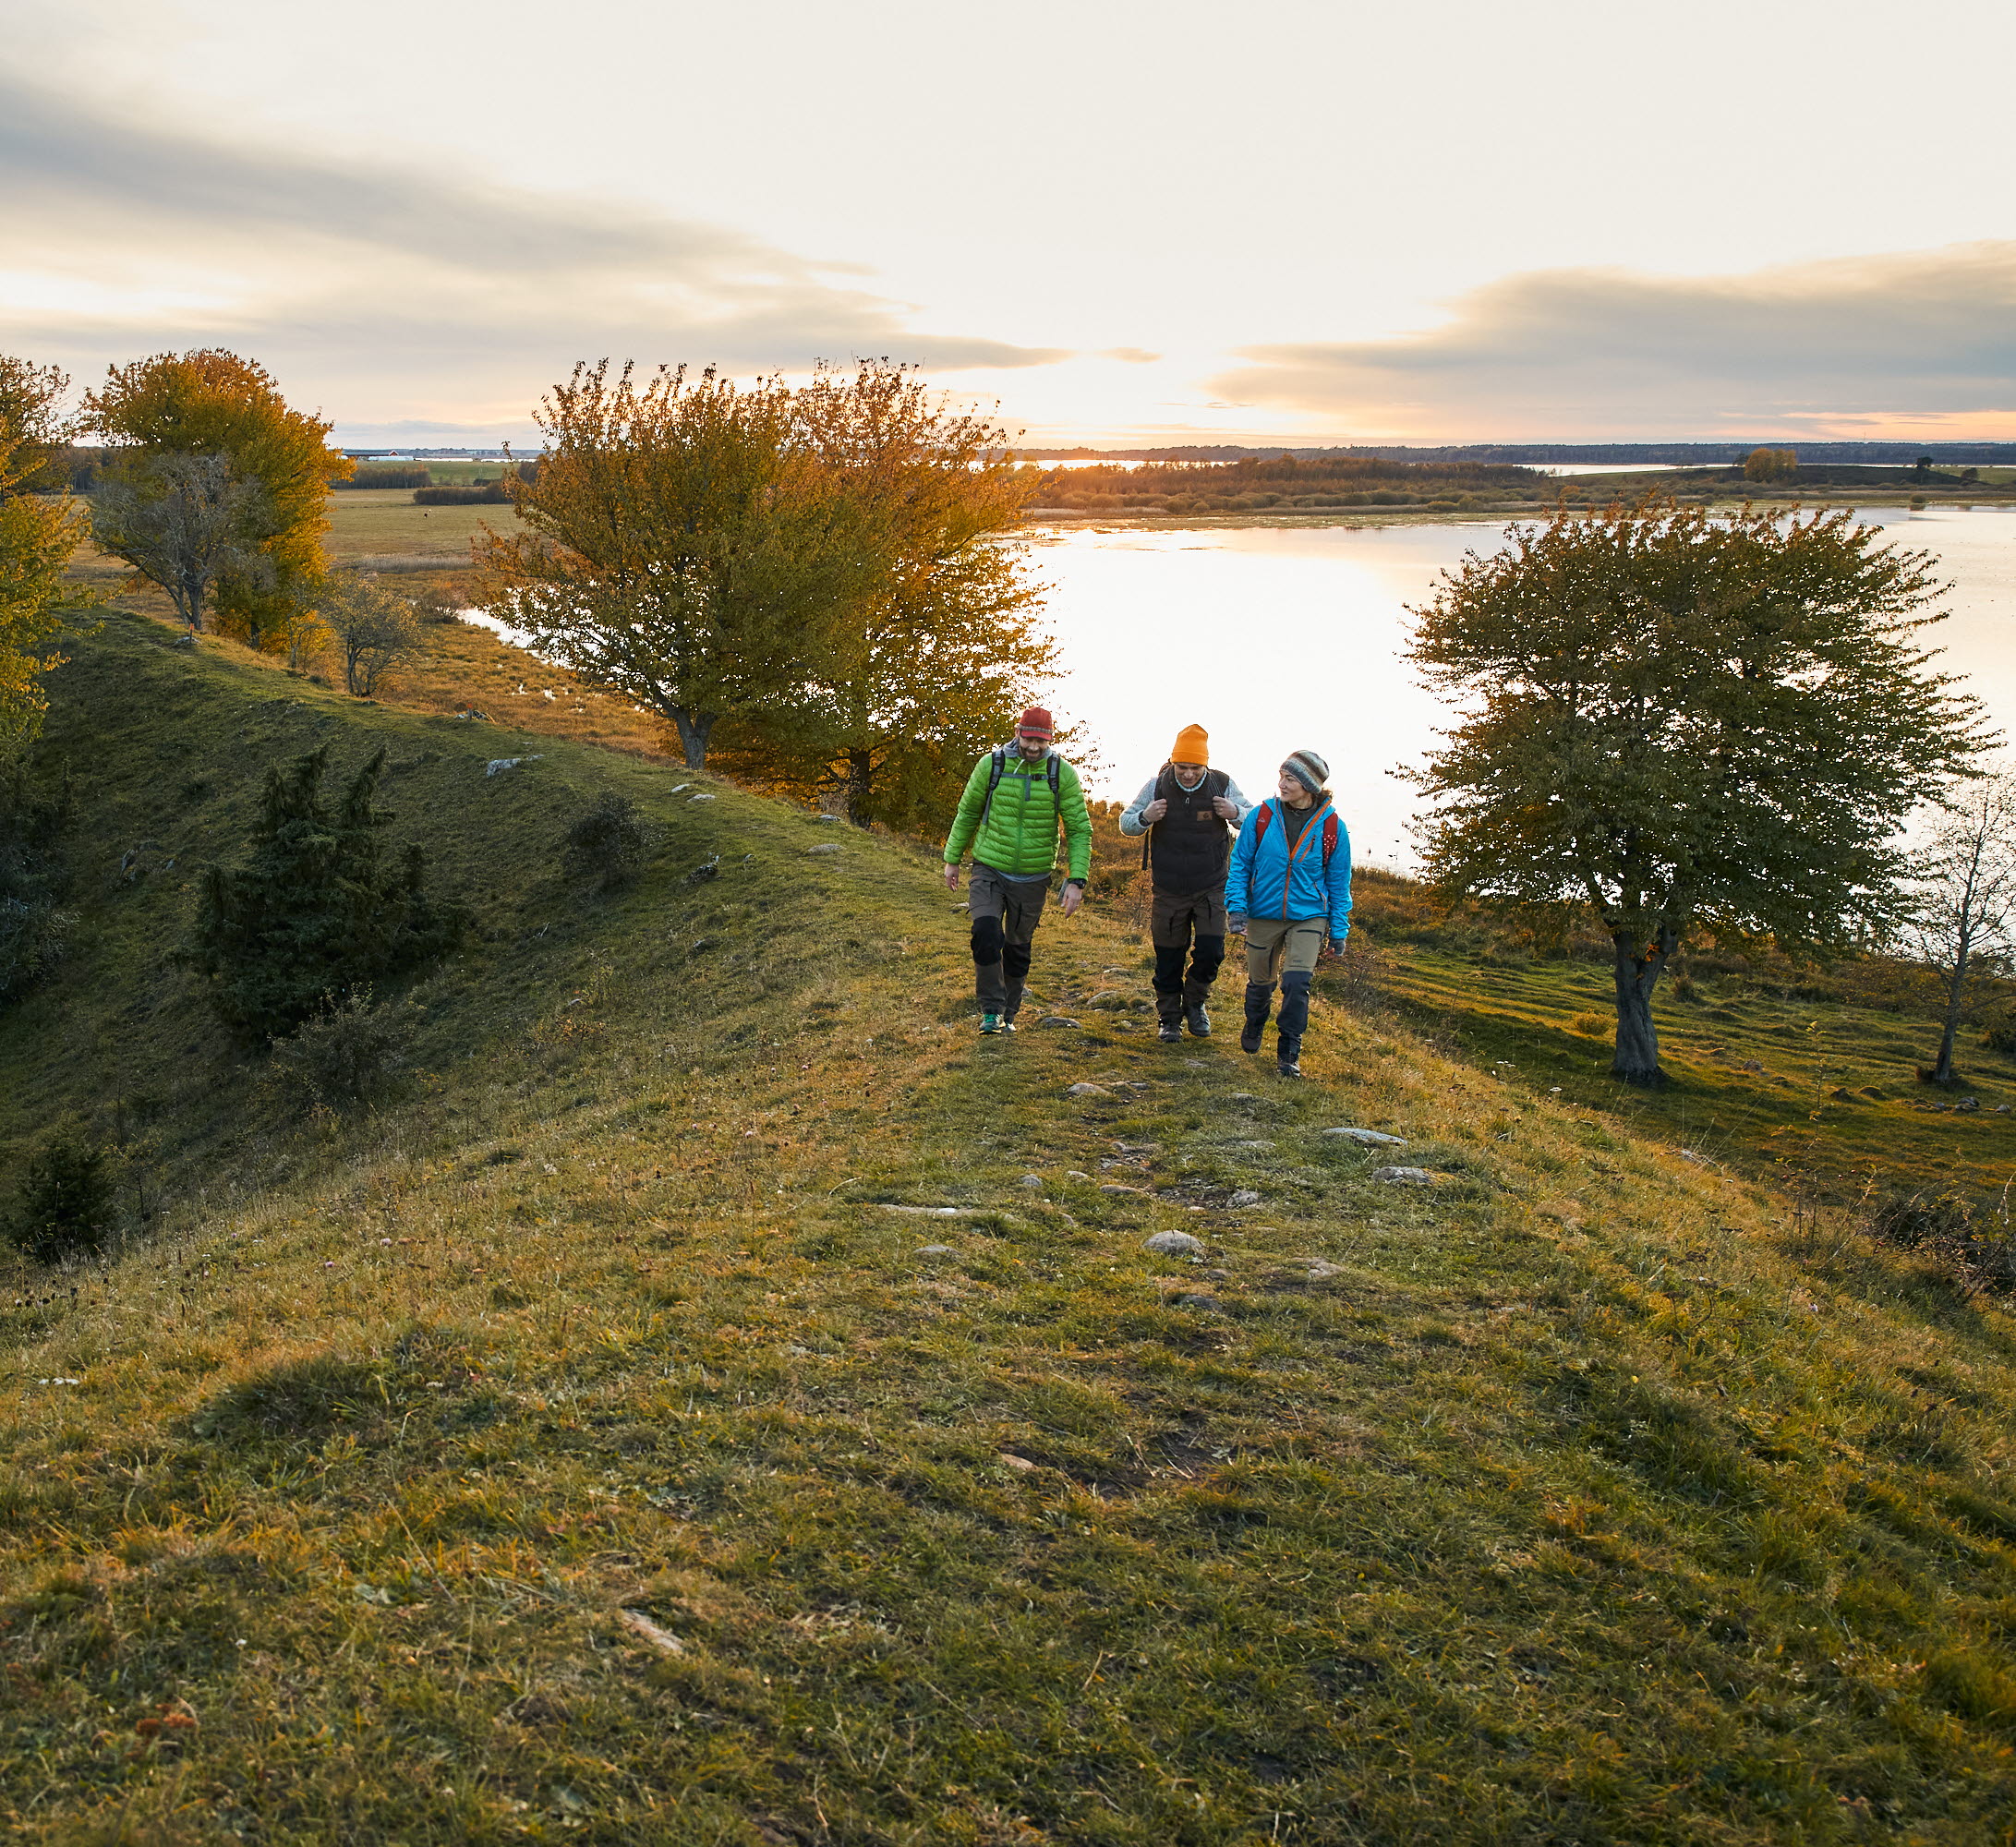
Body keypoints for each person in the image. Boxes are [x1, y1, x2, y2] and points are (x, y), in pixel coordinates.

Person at [942, 706, 1093, 1034]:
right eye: (1029, 740)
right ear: (1017, 732)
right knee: (985, 933)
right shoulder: (991, 765)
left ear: (1050, 740)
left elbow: (1079, 829)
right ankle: (991, 1010)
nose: (1034, 748)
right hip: (989, 867)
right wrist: (952, 858)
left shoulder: (1061, 773)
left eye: (1042, 742)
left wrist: (1076, 880)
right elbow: (967, 811)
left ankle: (1009, 1012)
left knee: (1017, 947)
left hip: (1034, 876)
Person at [1117, 724, 1253, 1042]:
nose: (1189, 774)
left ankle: (1195, 1003)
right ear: (1172, 762)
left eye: (1195, 768)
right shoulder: (1156, 786)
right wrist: (1146, 817)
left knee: (1211, 951)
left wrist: (1235, 812)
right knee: (1168, 957)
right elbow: (1127, 823)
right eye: (1182, 767)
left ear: (1205, 765)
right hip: (1168, 888)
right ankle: (1169, 1019)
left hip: (1212, 886)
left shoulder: (1222, 784)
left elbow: (1252, 818)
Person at [1225, 749, 1352, 1079]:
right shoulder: (1262, 816)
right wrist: (1237, 908)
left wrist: (1338, 930)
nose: (1282, 784)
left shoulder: (1333, 827)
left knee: (1297, 983)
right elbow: (1241, 864)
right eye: (1281, 776)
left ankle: (1288, 1051)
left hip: (1309, 915)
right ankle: (1255, 1020)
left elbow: (1339, 882)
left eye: (1291, 779)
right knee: (1260, 983)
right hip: (1263, 912)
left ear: (1309, 786)